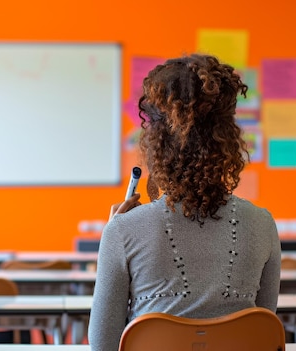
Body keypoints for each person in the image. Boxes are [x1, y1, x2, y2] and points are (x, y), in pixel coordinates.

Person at [88, 53, 281, 351]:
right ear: (228, 138)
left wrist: (117, 233)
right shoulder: (263, 225)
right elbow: (264, 335)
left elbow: (103, 345)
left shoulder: (122, 232)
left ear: (156, 143)